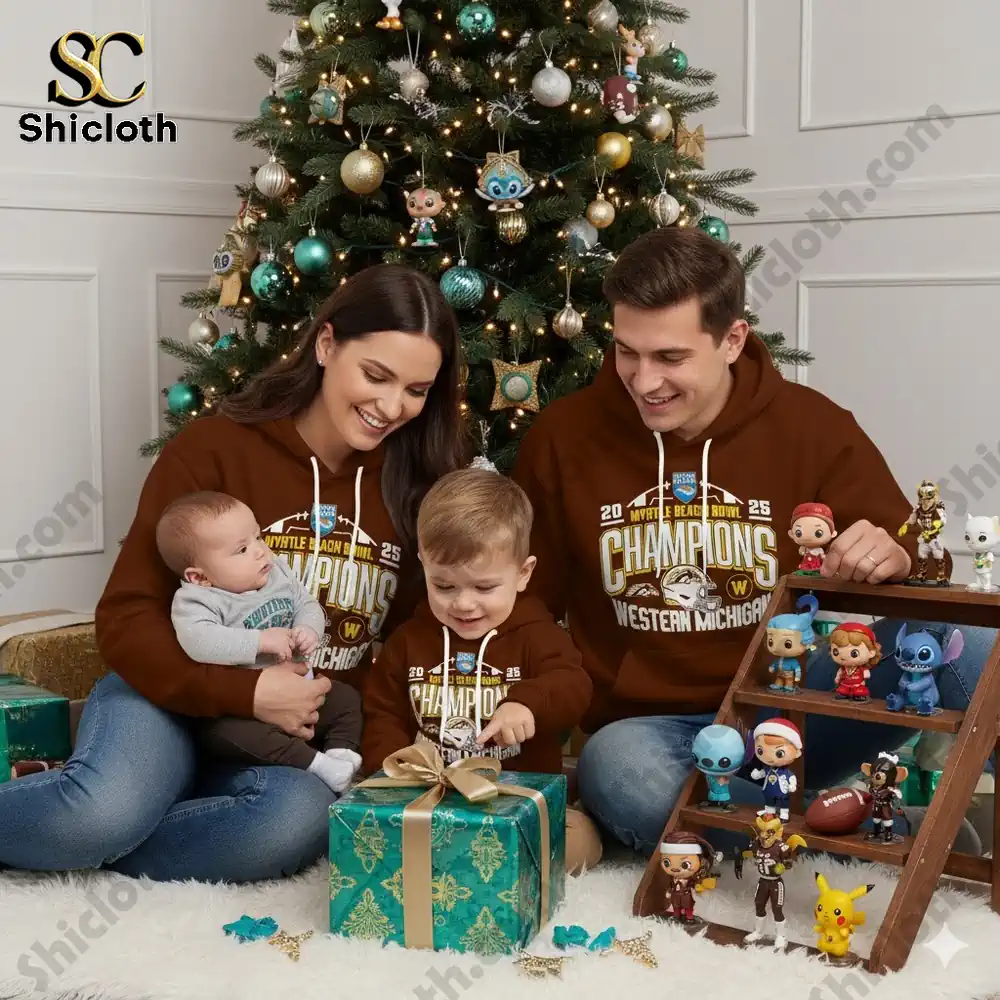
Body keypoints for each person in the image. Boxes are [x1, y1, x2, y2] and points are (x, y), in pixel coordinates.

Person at [512, 227, 995, 857]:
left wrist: (897, 552)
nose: (641, 379)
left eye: (670, 358)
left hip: (796, 701)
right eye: (625, 351)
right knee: (616, 772)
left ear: (732, 339)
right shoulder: (562, 437)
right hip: (649, 732)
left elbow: (919, 555)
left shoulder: (811, 426)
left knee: (980, 645)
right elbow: (526, 605)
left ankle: (763, 831)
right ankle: (868, 835)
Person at [0, 263, 469, 882]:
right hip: (164, 701)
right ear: (326, 345)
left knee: (292, 823)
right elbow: (127, 617)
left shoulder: (422, 488)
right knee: (98, 816)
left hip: (289, 739)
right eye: (376, 375)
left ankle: (122, 826)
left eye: (416, 390)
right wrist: (243, 692)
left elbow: (417, 646)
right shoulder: (215, 449)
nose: (391, 406)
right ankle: (107, 819)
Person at [361, 465, 604, 874]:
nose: (464, 604)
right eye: (444, 586)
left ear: (523, 574)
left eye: (484, 587)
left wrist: (526, 705)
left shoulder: (537, 635)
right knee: (369, 844)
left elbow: (572, 685)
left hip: (516, 798)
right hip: (427, 797)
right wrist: (395, 765)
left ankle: (491, 864)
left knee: (577, 841)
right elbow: (381, 710)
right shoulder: (408, 641)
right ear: (423, 565)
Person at [159, 491, 363, 794]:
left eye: (257, 537)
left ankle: (341, 757)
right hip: (244, 713)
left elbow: (306, 604)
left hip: (302, 693)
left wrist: (308, 628)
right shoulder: (199, 599)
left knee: (345, 699)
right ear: (200, 577)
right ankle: (317, 765)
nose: (260, 551)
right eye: (242, 549)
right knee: (226, 733)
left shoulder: (276, 571)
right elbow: (199, 641)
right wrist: (259, 641)